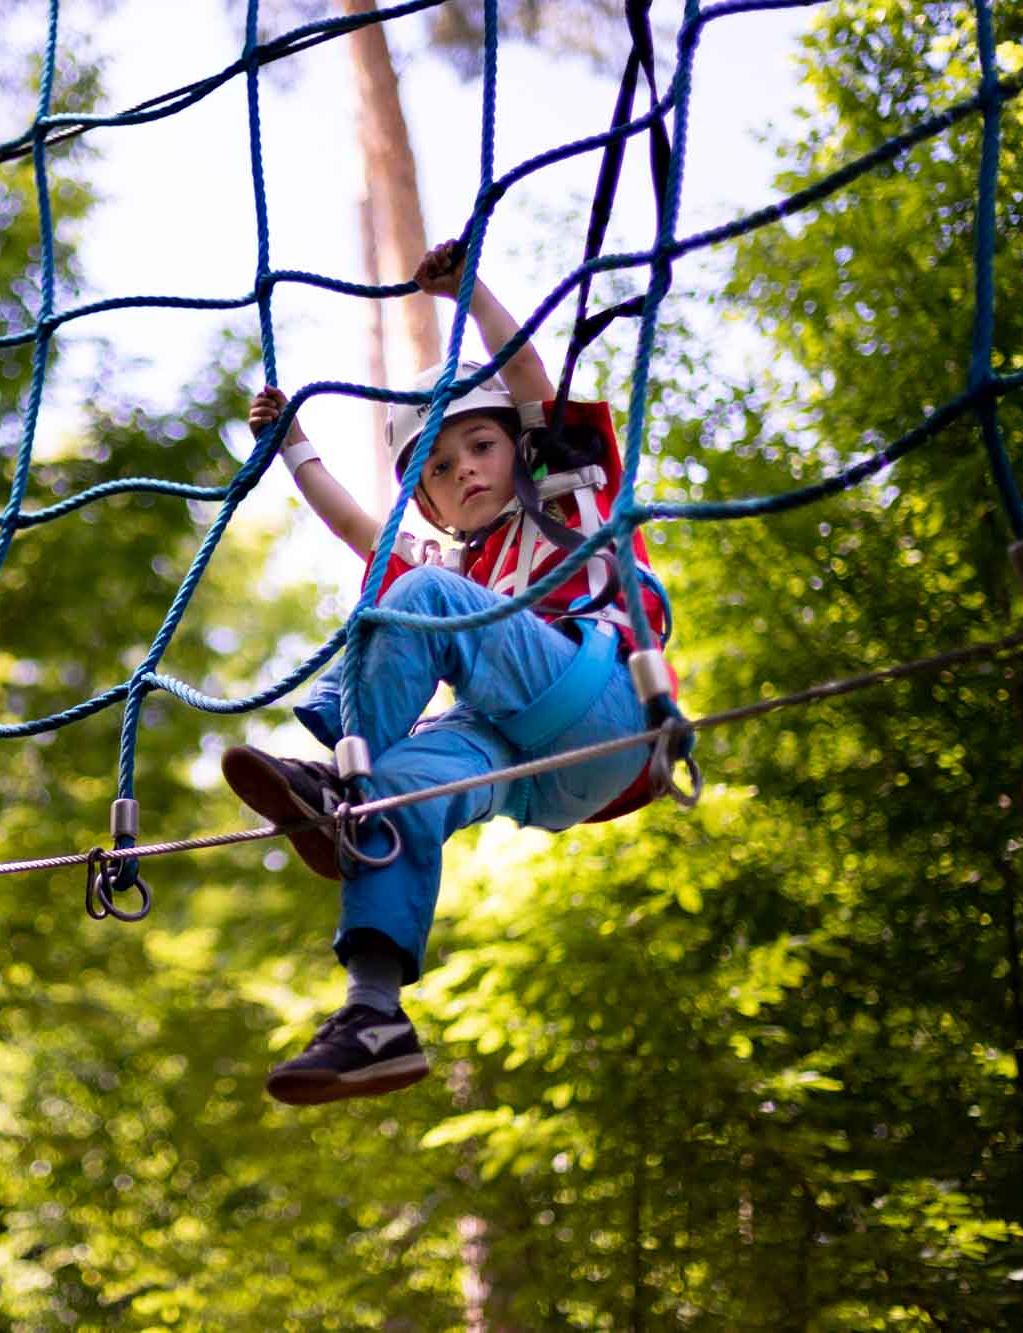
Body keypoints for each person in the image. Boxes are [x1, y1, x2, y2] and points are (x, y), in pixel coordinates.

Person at [232, 242, 672, 1106]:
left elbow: (532, 381)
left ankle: (337, 779)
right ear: (425, 500)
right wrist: (294, 447)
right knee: (395, 789)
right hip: (534, 771)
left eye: (480, 445)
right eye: (439, 468)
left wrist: (471, 292)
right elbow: (363, 529)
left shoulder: (567, 491)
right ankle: (374, 1013)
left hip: (609, 701)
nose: (465, 467)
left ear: (517, 449)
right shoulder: (452, 562)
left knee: (422, 603)